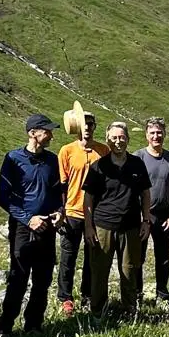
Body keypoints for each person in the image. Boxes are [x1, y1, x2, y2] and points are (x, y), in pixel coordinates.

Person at [0, 114, 65, 337]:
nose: (51, 135)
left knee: (43, 278)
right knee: (18, 276)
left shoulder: (52, 160)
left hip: (47, 226)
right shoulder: (13, 158)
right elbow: (3, 196)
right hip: (23, 227)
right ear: (33, 133)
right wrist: (27, 218)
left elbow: (57, 192)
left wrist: (59, 213)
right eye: (47, 131)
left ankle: (34, 325)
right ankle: (4, 326)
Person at [82, 121, 153, 315]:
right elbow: (88, 197)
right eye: (114, 138)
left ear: (128, 139)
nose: (118, 141)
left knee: (130, 270)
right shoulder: (99, 166)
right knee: (99, 271)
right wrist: (88, 227)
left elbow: (146, 193)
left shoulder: (137, 163)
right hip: (103, 225)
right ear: (108, 141)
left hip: (131, 226)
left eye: (122, 137)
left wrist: (146, 221)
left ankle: (129, 310)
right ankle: (98, 311)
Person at [56, 111, 107, 316]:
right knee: (68, 257)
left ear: (95, 127)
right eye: (84, 124)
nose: (88, 127)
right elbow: (62, 183)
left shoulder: (103, 150)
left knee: (91, 257)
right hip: (72, 212)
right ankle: (65, 297)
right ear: (78, 127)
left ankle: (88, 294)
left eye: (91, 124)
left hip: (96, 214)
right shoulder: (66, 151)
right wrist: (62, 211)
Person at [134, 117, 169, 301]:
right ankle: (137, 294)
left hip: (164, 214)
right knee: (139, 256)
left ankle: (162, 293)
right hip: (142, 215)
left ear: (164, 134)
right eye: (152, 133)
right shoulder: (138, 157)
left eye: (159, 132)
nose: (156, 136)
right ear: (146, 135)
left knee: (163, 257)